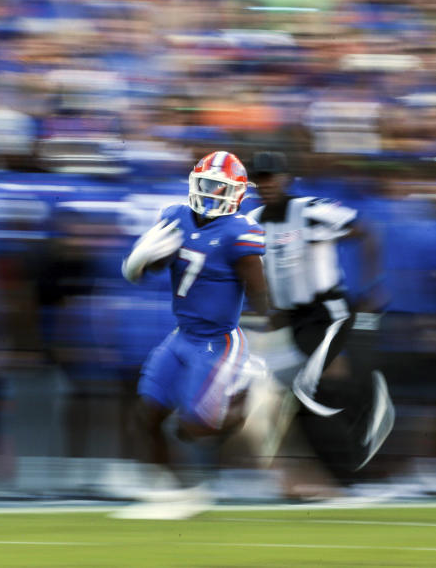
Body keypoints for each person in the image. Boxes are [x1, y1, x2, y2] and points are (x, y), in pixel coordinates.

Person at [116, 150, 269, 518]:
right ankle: (176, 491)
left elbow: (261, 295)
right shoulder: (175, 217)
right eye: (207, 185)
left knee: (195, 427)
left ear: (236, 193)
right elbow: (147, 268)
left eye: (221, 187)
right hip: (182, 335)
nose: (213, 193)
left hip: (218, 341)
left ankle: (251, 398)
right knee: (146, 415)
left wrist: (268, 334)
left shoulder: (239, 232)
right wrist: (144, 258)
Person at [247, 151, 394, 481]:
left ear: (285, 179)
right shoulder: (254, 220)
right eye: (260, 178)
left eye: (271, 177)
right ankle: (343, 465)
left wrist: (373, 285)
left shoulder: (310, 210)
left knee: (312, 387)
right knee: (300, 393)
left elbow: (365, 231)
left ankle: (356, 454)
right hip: (291, 318)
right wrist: (267, 306)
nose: (266, 184)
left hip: (326, 312)